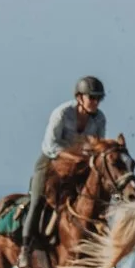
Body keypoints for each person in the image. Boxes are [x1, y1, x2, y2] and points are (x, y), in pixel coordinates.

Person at [26, 76, 106, 247]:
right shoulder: (62, 113)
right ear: (79, 97)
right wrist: (74, 157)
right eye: (92, 97)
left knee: (97, 199)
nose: (95, 102)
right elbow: (50, 146)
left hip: (79, 165)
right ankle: (26, 247)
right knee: (38, 199)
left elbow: (97, 146)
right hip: (51, 161)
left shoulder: (100, 119)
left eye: (99, 98)